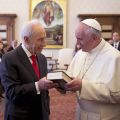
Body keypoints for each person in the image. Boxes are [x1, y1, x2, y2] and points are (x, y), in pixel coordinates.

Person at [0, 20, 57, 120]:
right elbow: (12, 92)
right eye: (40, 40)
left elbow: (44, 92)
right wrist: (37, 86)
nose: (44, 44)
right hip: (20, 116)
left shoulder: (42, 58)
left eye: (45, 39)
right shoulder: (9, 59)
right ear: (26, 39)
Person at [66, 19, 120, 120]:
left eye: (80, 39)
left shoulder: (115, 57)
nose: (77, 44)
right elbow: (70, 76)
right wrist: (63, 84)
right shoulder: (80, 53)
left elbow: (117, 95)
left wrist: (83, 85)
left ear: (94, 38)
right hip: (80, 113)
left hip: (105, 116)